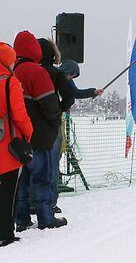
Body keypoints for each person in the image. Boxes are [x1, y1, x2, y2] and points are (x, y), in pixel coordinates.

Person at [13, 31, 66, 231]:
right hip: (40, 136)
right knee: (42, 179)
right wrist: (54, 123)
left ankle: (22, 219)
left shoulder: (11, 71)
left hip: (17, 139)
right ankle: (46, 218)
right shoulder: (37, 72)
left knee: (22, 183)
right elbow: (50, 105)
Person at [38, 50, 102, 212]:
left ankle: (51, 201)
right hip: (49, 122)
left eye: (73, 77)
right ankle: (46, 202)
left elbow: (75, 93)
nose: (70, 79)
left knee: (54, 159)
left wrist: (92, 91)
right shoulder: (55, 77)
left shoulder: (64, 81)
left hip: (55, 121)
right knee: (48, 162)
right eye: (70, 76)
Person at [0, 42, 33, 247]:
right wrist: (29, 133)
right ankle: (5, 234)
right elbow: (20, 115)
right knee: (8, 192)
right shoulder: (9, 82)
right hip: (7, 147)